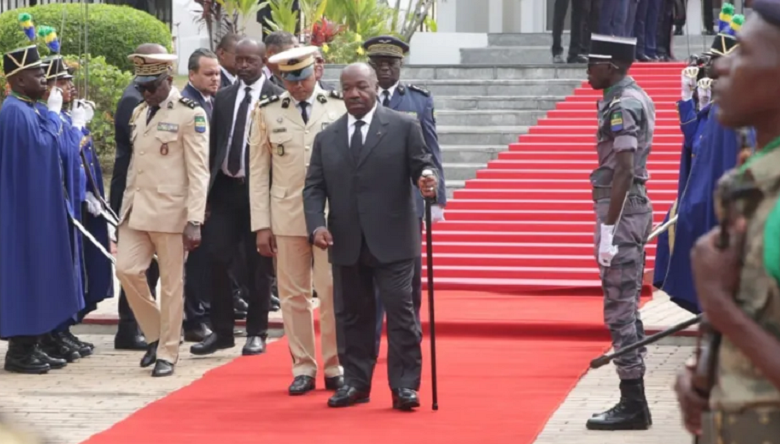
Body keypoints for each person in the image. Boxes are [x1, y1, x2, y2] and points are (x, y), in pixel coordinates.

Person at [303, 62, 440, 410]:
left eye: (361, 86)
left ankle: (405, 386)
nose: (354, 94)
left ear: (375, 87)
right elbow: (314, 188)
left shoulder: (403, 126)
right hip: (346, 242)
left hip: (394, 240)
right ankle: (356, 383)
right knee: (352, 316)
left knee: (401, 314)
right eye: (347, 88)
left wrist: (427, 179)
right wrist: (316, 225)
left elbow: (422, 163)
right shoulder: (327, 138)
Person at [675, 1, 780, 439]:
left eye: (743, 53)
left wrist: (718, 302)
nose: (719, 66)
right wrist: (706, 380)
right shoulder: (750, 182)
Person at [248, 45, 345, 395]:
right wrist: (262, 224)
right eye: (290, 81)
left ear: (315, 72)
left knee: (331, 292)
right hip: (286, 216)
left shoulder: (338, 106)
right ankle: (303, 365)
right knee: (293, 296)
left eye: (302, 78)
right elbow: (258, 172)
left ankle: (335, 365)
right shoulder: (268, 111)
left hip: (330, 218)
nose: (298, 87)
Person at [114, 51, 210, 377]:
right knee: (126, 270)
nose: (146, 93)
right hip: (136, 209)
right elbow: (135, 165)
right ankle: (156, 334)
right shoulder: (140, 111)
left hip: (171, 212)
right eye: (142, 87)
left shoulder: (190, 114)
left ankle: (167, 352)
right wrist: (122, 209)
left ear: (168, 80)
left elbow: (198, 171)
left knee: (171, 285)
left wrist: (194, 220)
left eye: (152, 86)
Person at [190, 37, 283, 357]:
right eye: (239, 59)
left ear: (263, 62)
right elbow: (214, 146)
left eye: (250, 60)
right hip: (225, 189)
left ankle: (257, 332)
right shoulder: (225, 96)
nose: (243, 65)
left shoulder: (277, 98)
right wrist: (206, 195)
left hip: (259, 193)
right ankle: (222, 331)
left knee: (259, 266)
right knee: (216, 259)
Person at [655, 20, 752, 314]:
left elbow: (700, 148)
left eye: (713, 61)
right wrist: (692, 102)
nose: (705, 67)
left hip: (717, 198)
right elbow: (695, 142)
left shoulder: (731, 105)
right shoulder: (723, 101)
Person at [584, 34, 655, 431]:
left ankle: (633, 403)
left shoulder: (622, 104)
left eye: (592, 64)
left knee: (619, 308)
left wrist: (610, 229)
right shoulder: (629, 96)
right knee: (626, 305)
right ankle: (635, 399)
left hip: (622, 211)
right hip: (627, 208)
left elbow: (624, 169)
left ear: (610, 67)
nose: (587, 71)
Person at [362, 35, 447, 358]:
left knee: (408, 282)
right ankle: (367, 345)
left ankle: (407, 344)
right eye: (378, 64)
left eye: (391, 63)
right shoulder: (357, 99)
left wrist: (437, 198)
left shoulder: (418, 100)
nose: (385, 69)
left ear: (400, 66)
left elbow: (431, 151)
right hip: (367, 202)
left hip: (407, 203)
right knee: (367, 282)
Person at [0, 45, 83, 374]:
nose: (44, 80)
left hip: (37, 208)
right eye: (37, 75)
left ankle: (33, 344)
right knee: (26, 275)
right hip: (24, 212)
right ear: (19, 80)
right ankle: (20, 351)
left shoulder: (28, 109)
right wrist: (53, 115)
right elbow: (43, 151)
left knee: (39, 273)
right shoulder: (15, 112)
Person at [110, 43, 166, 351]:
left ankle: (143, 327)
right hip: (133, 192)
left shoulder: (147, 95)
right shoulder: (135, 99)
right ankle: (129, 327)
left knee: (149, 267)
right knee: (136, 267)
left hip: (149, 193)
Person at [181, 47, 220, 343]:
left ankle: (204, 314)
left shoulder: (211, 100)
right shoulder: (188, 105)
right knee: (194, 262)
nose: (215, 78)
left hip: (209, 192)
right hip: (192, 196)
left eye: (217, 73)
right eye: (208, 74)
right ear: (192, 74)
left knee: (207, 261)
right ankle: (193, 319)